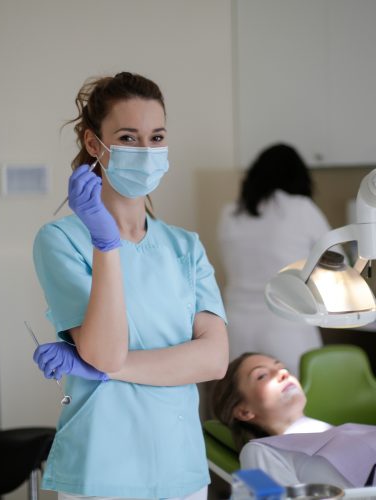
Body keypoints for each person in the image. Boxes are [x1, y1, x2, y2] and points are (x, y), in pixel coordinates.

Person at [32, 71, 229, 500]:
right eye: (128, 136)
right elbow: (106, 351)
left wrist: (100, 369)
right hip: (102, 469)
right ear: (93, 144)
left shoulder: (185, 246)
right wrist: (105, 243)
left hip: (182, 469)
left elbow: (214, 360)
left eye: (156, 138)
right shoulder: (61, 241)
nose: (146, 150)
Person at [217, 144, 332, 375]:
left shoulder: (229, 214)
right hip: (286, 327)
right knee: (296, 402)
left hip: (236, 328)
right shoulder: (301, 209)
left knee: (243, 403)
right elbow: (336, 262)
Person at [212, 353, 376, 488]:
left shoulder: (344, 432)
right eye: (262, 375)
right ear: (244, 411)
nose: (283, 374)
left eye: (282, 368)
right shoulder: (258, 451)